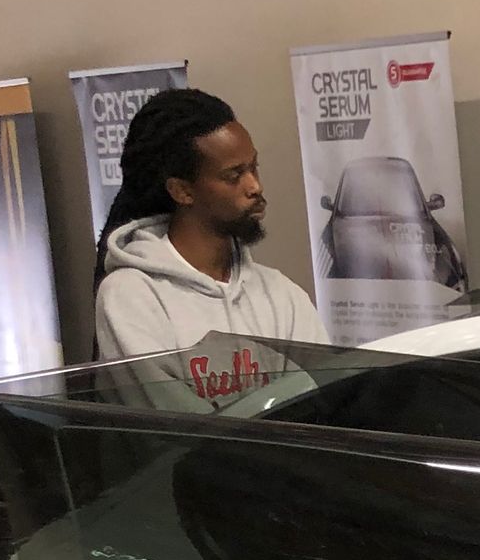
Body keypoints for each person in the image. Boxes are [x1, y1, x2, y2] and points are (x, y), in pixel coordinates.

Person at [93, 88, 326, 372]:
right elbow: (168, 414)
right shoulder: (132, 296)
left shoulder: (282, 295)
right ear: (182, 191)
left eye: (254, 167)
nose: (255, 186)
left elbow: (324, 403)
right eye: (234, 175)